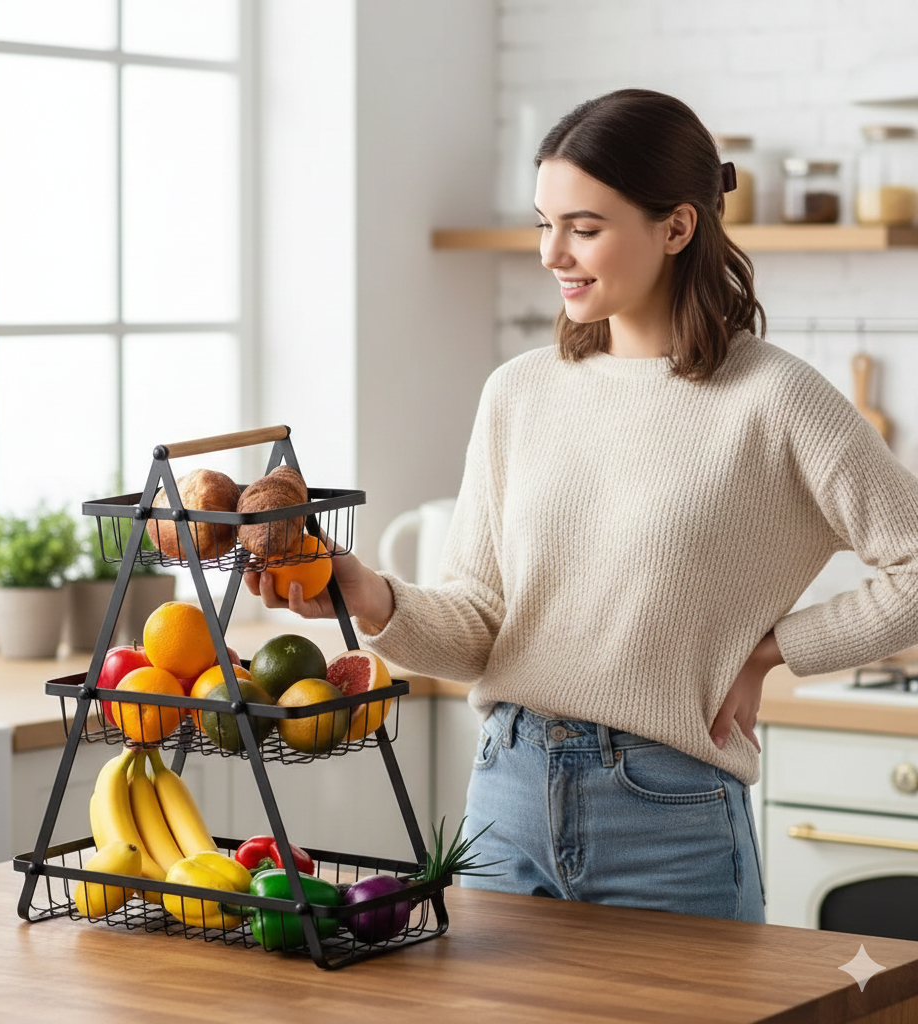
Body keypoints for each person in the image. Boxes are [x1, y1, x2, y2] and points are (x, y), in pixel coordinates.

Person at [245, 89, 918, 923]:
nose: (551, 253)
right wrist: (367, 594)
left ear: (677, 227)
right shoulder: (518, 393)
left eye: (585, 227)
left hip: (670, 822)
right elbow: (480, 621)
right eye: (542, 223)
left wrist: (772, 650)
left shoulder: (776, 399)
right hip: (504, 802)